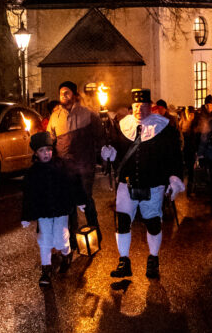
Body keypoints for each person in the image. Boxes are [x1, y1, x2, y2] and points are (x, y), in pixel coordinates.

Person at [103, 87, 185, 279]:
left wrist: (174, 177)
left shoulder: (165, 129)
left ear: (150, 107)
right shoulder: (122, 126)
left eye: (143, 105)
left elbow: (174, 158)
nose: (139, 109)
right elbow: (118, 153)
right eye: (136, 105)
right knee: (122, 222)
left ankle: (153, 260)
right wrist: (110, 153)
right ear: (132, 107)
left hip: (153, 185)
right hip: (126, 185)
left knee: (153, 223)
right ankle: (124, 261)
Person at [20, 132, 87, 287]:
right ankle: (46, 270)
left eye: (48, 150)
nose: (46, 154)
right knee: (45, 240)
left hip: (61, 210)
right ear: (36, 153)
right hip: (43, 212)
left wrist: (81, 201)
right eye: (42, 151)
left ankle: (66, 253)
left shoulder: (62, 166)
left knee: (61, 237)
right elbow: (28, 196)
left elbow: (74, 184)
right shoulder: (33, 173)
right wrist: (26, 216)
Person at [46, 80, 104, 247]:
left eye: (67, 93)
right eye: (61, 93)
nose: (63, 96)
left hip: (84, 166)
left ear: (75, 95)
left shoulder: (88, 114)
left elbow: (100, 136)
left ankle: (95, 233)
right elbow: (50, 140)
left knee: (85, 198)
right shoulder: (55, 116)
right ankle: (72, 237)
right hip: (65, 168)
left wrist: (104, 154)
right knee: (68, 201)